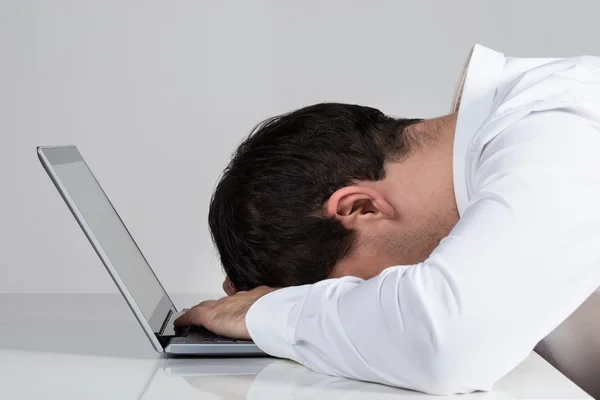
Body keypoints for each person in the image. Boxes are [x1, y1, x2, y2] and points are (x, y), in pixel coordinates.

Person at [175, 44, 600, 394]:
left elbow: (449, 340)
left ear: (360, 207)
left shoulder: (557, 128)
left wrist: (269, 314)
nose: (368, 301)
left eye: (352, 290)